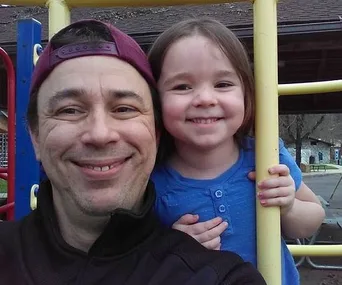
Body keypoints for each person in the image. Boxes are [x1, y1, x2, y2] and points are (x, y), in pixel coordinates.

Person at [0, 19, 266, 285]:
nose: (100, 134)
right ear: (34, 136)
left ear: (156, 132)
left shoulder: (221, 278)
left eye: (124, 108)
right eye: (69, 110)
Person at [148, 18, 325, 285]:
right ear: (155, 99)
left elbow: (313, 218)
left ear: (246, 93)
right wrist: (171, 247)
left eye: (222, 84)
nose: (205, 98)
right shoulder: (150, 179)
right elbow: (138, 259)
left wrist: (289, 208)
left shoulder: (267, 154)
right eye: (182, 86)